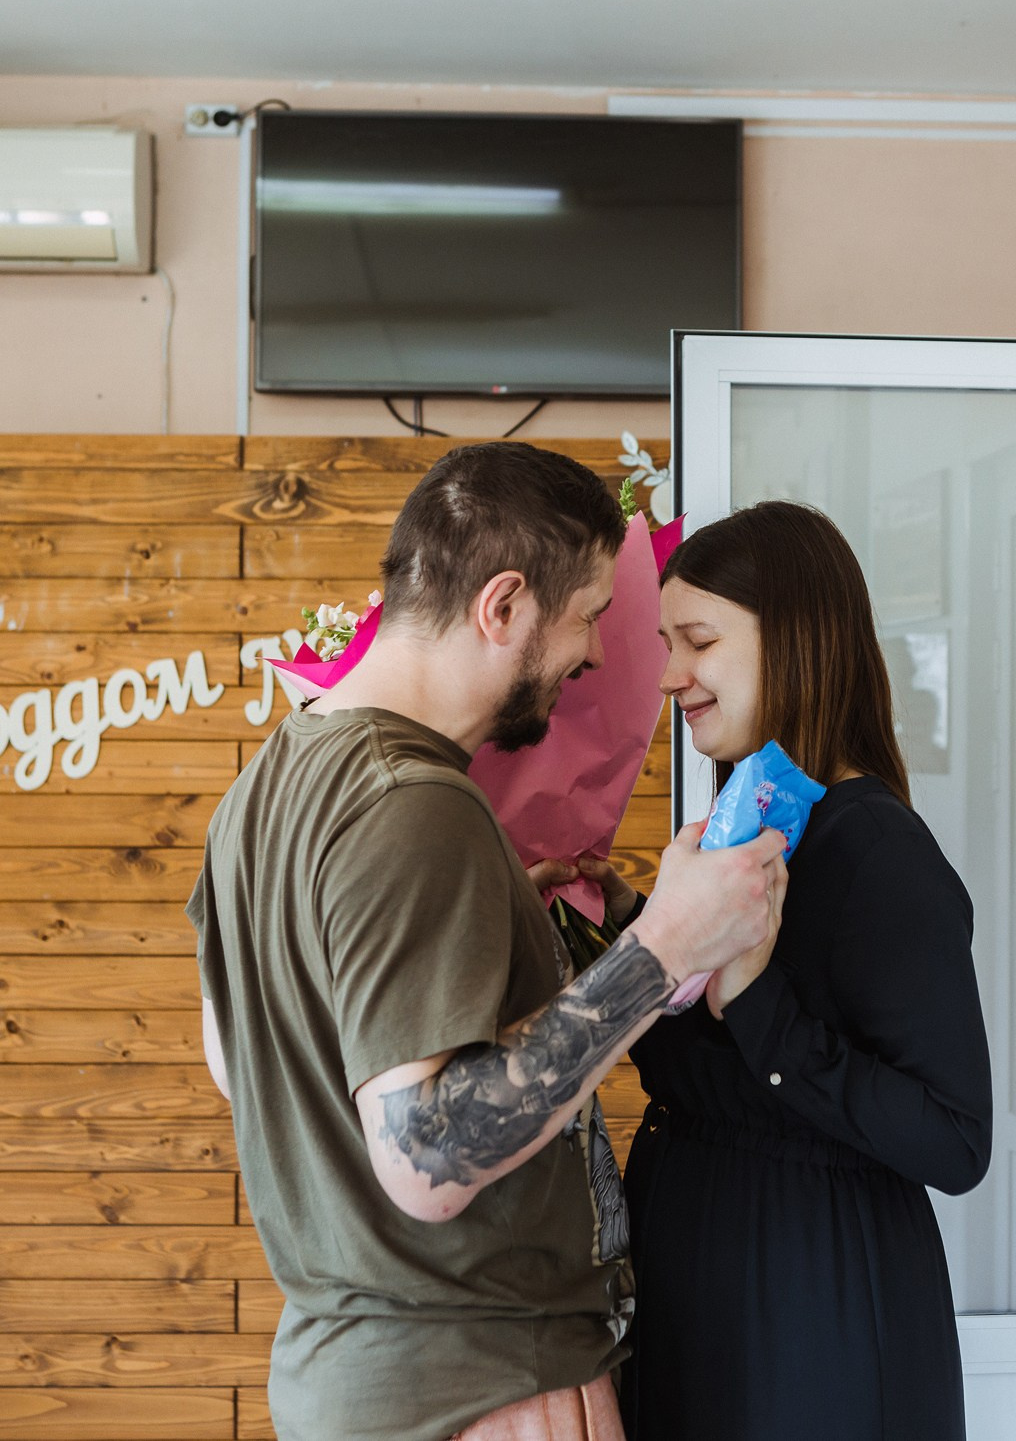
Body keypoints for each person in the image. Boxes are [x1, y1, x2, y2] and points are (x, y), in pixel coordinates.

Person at [188, 442, 789, 1441]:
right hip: (481, 1391)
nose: (596, 656)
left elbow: (235, 1057)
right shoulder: (416, 805)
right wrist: (667, 948)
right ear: (503, 606)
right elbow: (429, 1158)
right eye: (590, 616)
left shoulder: (266, 786)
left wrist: (493, 945)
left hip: (350, 1387)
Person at [616, 499, 995, 1440]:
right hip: (707, 1299)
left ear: (794, 641)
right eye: (667, 643)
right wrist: (623, 930)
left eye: (697, 640)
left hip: (806, 1317)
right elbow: (699, 1074)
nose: (671, 675)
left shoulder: (876, 850)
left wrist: (753, 997)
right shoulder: (743, 830)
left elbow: (955, 1140)